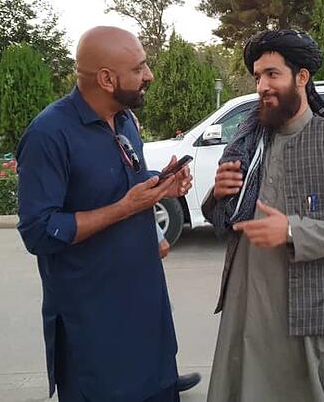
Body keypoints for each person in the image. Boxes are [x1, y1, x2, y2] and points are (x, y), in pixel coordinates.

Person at [16, 26, 193, 402]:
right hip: (94, 329)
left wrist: (161, 184)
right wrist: (125, 208)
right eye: (139, 68)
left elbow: (122, 185)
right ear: (107, 79)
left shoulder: (125, 120)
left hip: (148, 316)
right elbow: (39, 230)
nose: (149, 75)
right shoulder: (49, 135)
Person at [202, 29, 324, 401]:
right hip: (248, 307)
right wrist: (218, 193)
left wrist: (293, 231)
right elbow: (222, 215)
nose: (262, 85)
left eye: (272, 74)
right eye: (258, 77)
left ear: (301, 77)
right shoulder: (248, 143)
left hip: (314, 311)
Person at [129, 108, 203, 394]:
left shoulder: (124, 124)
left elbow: (139, 190)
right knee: (139, 320)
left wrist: (162, 183)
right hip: (119, 254)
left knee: (157, 315)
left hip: (140, 248)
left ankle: (166, 376)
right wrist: (157, 234)